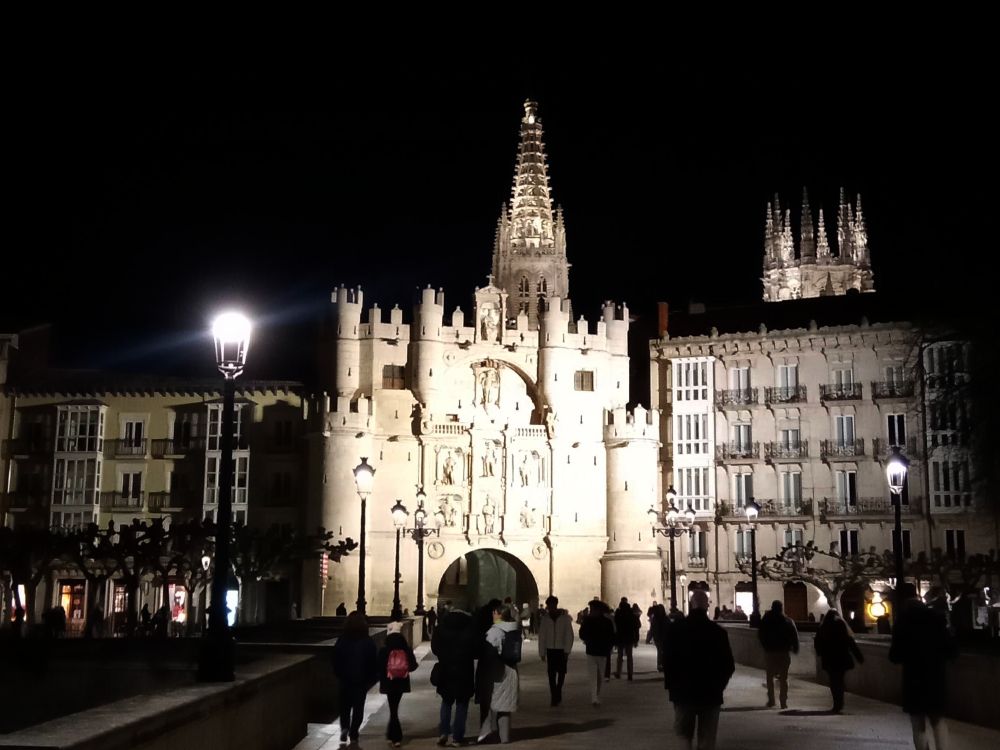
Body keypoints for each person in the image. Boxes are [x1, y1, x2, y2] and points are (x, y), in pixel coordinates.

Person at [890, 583, 958, 750]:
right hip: (936, 676)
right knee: (938, 720)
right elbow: (950, 649)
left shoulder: (903, 622)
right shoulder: (936, 617)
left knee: (918, 722)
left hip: (914, 679)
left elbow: (895, 655)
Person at [664, 590, 735, 750]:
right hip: (710, 694)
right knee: (707, 738)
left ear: (691, 605)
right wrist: (719, 686)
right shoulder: (718, 632)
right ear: (707, 606)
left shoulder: (675, 630)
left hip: (682, 693)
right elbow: (729, 665)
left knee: (683, 736)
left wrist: (672, 687)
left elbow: (667, 661)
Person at [432, 607, 477, 747]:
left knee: (446, 702)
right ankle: (457, 737)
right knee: (462, 704)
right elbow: (476, 651)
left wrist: (444, 656)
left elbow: (435, 648)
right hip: (464, 671)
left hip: (446, 669)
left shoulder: (441, 628)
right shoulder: (470, 629)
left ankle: (444, 732)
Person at [332, 611, 378, 745]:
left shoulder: (342, 640)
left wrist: (339, 673)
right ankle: (354, 732)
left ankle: (345, 727)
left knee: (344, 707)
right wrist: (371, 677)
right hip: (360, 680)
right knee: (358, 708)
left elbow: (336, 658)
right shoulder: (368, 641)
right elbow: (372, 661)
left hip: (345, 679)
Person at [478, 604, 520, 744]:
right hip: (512, 670)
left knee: (491, 703)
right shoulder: (514, 629)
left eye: (494, 612)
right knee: (505, 707)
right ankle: (505, 738)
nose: (492, 615)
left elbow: (488, 651)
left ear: (498, 614)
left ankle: (487, 734)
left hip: (497, 671)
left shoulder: (495, 631)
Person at [378, 620, 419, 748]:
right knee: (394, 708)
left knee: (393, 709)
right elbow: (413, 666)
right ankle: (393, 735)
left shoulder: (384, 649)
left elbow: (378, 666)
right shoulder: (406, 648)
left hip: (388, 682)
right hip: (401, 682)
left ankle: (395, 736)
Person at [814, 609, 864, 713]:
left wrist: (820, 653)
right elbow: (850, 642)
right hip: (841, 657)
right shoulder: (841, 625)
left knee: (833, 681)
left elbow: (818, 642)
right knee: (840, 680)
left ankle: (836, 704)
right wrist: (859, 657)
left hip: (829, 658)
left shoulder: (824, 627)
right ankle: (840, 703)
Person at [758, 600, 799, 709]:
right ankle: (783, 701)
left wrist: (765, 646)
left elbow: (761, 634)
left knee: (769, 677)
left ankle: (772, 700)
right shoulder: (788, 621)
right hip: (784, 652)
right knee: (784, 678)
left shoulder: (766, 620)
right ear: (781, 608)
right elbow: (795, 636)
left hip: (770, 652)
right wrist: (795, 648)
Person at [537, 595, 574, 706]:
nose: (550, 607)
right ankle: (554, 695)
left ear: (556, 604)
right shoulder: (545, 619)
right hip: (550, 650)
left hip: (561, 650)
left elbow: (569, 635)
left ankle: (558, 690)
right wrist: (542, 652)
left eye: (552, 605)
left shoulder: (565, 619)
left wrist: (567, 650)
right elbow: (542, 636)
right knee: (551, 674)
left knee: (562, 673)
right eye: (549, 605)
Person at [579, 599, 615, 706]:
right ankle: (594, 697)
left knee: (599, 675)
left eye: (592, 609)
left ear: (598, 610)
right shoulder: (589, 621)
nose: (591, 611)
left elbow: (611, 636)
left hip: (600, 651)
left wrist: (608, 647)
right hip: (593, 651)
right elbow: (582, 634)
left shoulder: (605, 622)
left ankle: (596, 695)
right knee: (593, 675)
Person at [614, 597, 638, 680]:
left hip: (620, 637)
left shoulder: (618, 613)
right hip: (629, 637)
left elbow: (615, 626)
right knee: (629, 656)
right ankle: (630, 674)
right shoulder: (631, 614)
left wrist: (615, 639)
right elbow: (637, 626)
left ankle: (618, 672)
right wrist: (636, 639)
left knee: (620, 656)